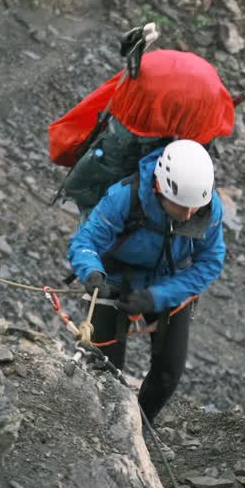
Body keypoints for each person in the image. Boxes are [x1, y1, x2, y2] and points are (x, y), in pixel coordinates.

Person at [69, 140, 226, 422]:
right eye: (181, 206)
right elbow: (86, 241)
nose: (189, 215)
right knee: (104, 370)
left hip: (170, 284)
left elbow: (210, 262)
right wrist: (92, 272)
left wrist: (157, 296)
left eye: (195, 207)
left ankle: (140, 425)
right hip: (115, 282)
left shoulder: (209, 209)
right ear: (158, 187)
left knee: (169, 372)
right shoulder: (124, 198)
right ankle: (103, 428)